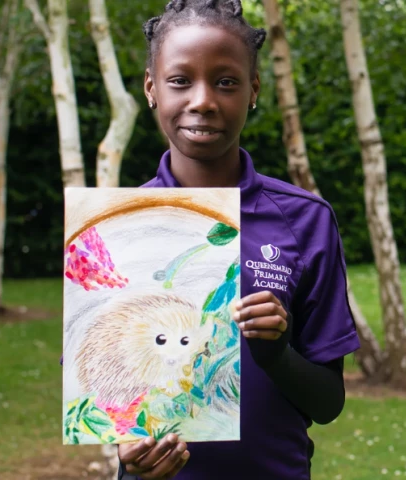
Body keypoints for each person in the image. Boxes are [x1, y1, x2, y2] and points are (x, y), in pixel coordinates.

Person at [116, 1, 361, 478]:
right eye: (180, 80)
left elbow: (328, 403)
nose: (203, 101)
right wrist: (128, 450)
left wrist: (277, 355)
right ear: (151, 88)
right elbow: (100, 396)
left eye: (226, 82)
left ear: (253, 90)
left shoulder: (305, 219)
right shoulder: (115, 227)